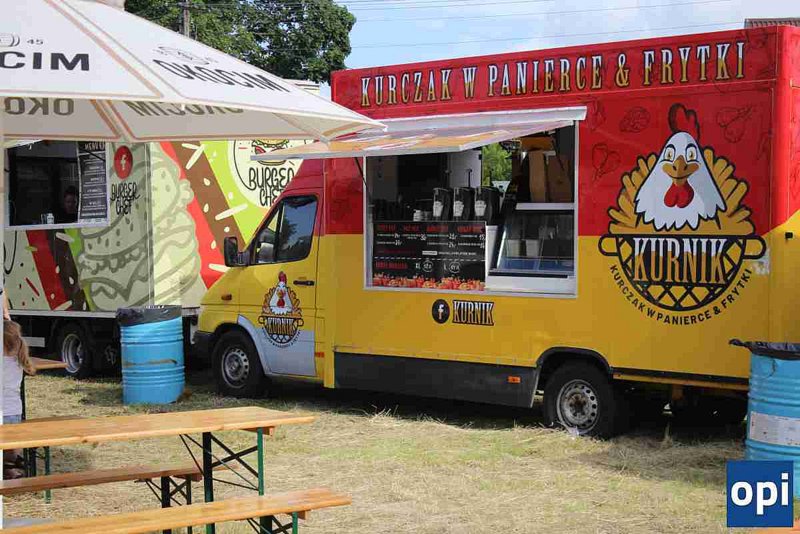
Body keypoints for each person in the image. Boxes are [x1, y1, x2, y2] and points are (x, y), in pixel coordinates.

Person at [3, 320, 34, 479]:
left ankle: (8, 468)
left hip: (2, 414)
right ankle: (10, 466)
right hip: (14, 412)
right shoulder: (20, 360)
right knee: (9, 445)